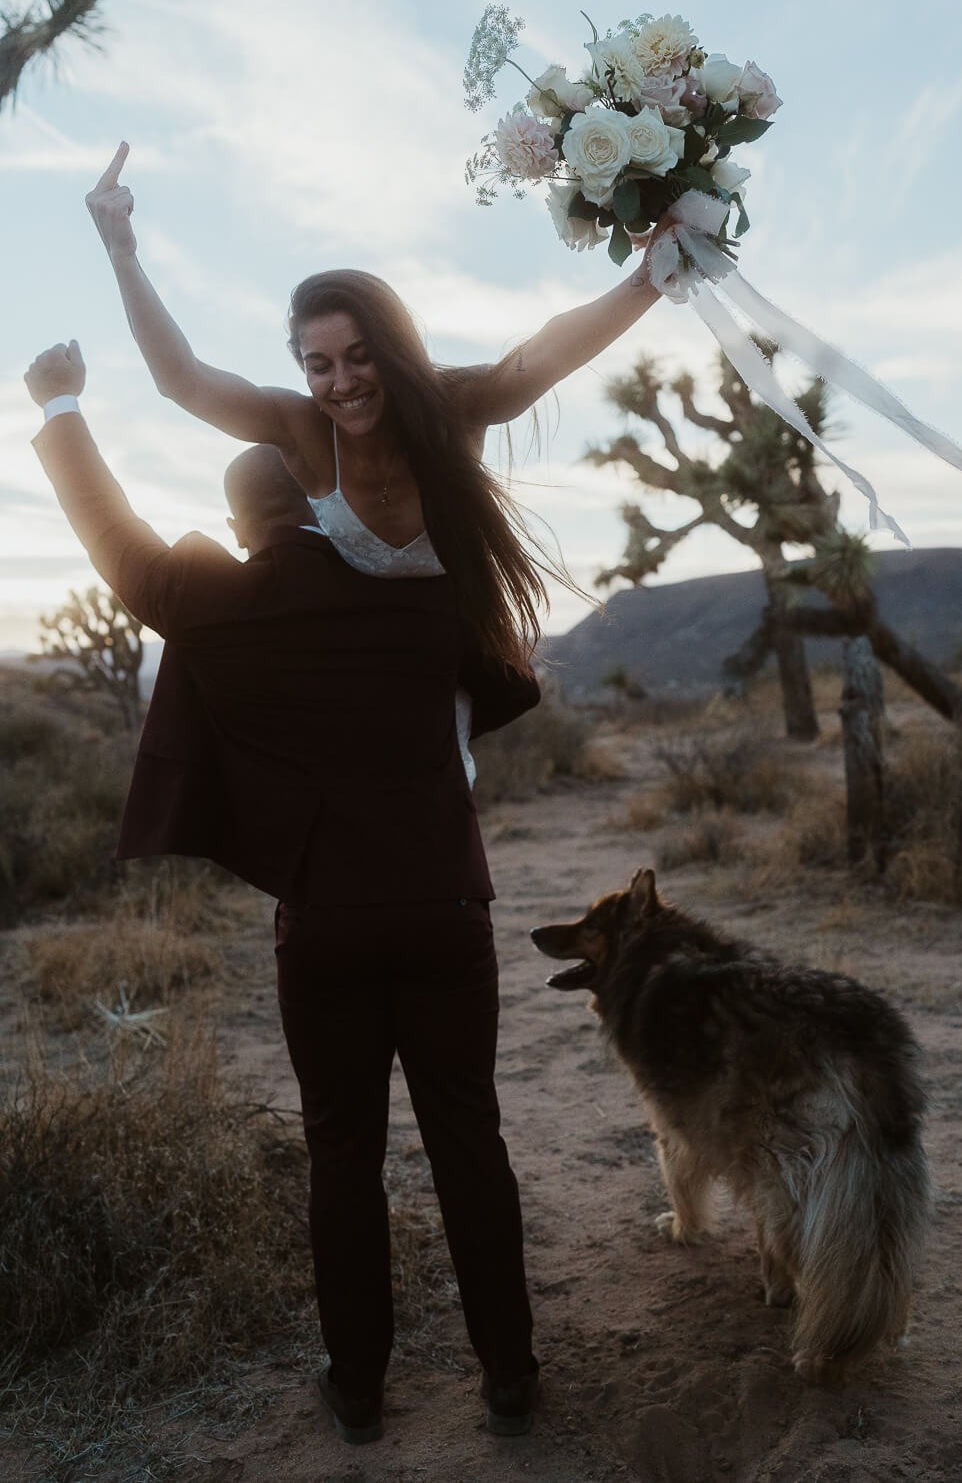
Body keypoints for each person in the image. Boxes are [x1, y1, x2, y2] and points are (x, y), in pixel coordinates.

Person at [25, 339, 544, 1444]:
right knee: (470, 1139)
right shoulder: (421, 592)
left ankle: (358, 1388)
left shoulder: (221, 610)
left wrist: (62, 403)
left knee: (342, 1154)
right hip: (448, 906)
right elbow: (508, 680)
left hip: (324, 922)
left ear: (248, 523)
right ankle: (511, 1375)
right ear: (310, 507)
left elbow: (111, 538)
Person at [83, 143, 664, 678]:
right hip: (351, 673)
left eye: (362, 357)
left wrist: (650, 278)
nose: (343, 384)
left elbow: (543, 353)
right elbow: (183, 381)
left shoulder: (453, 409)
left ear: (395, 351)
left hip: (448, 669)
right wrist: (121, 252)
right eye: (320, 366)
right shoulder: (301, 430)